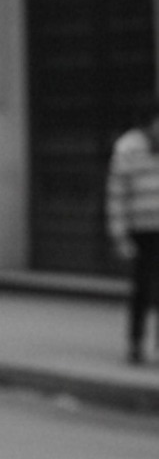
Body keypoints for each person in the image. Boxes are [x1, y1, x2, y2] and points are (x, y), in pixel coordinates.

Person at [105, 93, 159, 365]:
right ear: (150, 123)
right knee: (143, 289)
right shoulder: (127, 148)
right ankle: (136, 343)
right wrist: (120, 235)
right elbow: (117, 195)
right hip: (142, 231)